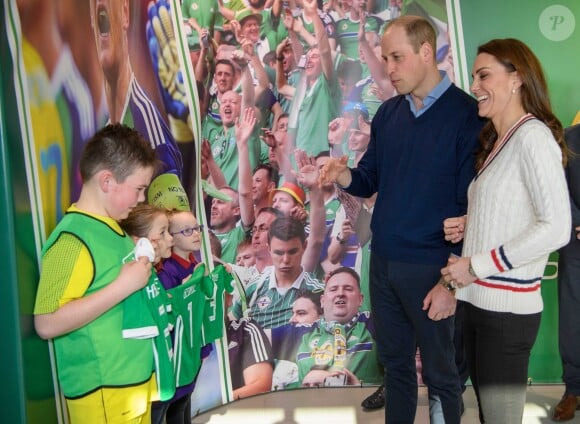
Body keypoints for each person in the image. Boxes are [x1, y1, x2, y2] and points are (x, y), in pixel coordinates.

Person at [319, 15, 483, 424]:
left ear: (426, 53)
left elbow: (472, 207)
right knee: (396, 369)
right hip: (384, 261)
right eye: (384, 58)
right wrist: (344, 176)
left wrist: (449, 281)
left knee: (444, 375)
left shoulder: (467, 115)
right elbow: (370, 177)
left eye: (397, 57)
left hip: (432, 265)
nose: (388, 69)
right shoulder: (389, 114)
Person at [441, 38, 570, 423]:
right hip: (480, 305)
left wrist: (475, 265)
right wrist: (473, 222)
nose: (475, 86)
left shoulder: (532, 137)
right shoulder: (500, 140)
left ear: (517, 79)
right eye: (474, 77)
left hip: (506, 315)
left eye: (484, 75)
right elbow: (517, 211)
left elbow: (557, 227)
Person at [33, 124, 159, 423]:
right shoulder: (71, 239)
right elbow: (46, 322)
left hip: (131, 386)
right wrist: (122, 286)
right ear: (107, 181)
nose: (141, 199)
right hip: (105, 394)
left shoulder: (113, 228)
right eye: (139, 188)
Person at [231, 216, 324, 328]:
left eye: (292, 252)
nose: (285, 260)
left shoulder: (317, 291)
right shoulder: (254, 286)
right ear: (269, 248)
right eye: (279, 253)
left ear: (304, 246)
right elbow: (231, 320)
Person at [551, 123, 580, 421]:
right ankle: (573, 388)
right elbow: (560, 190)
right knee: (572, 320)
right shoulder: (569, 139)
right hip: (576, 244)